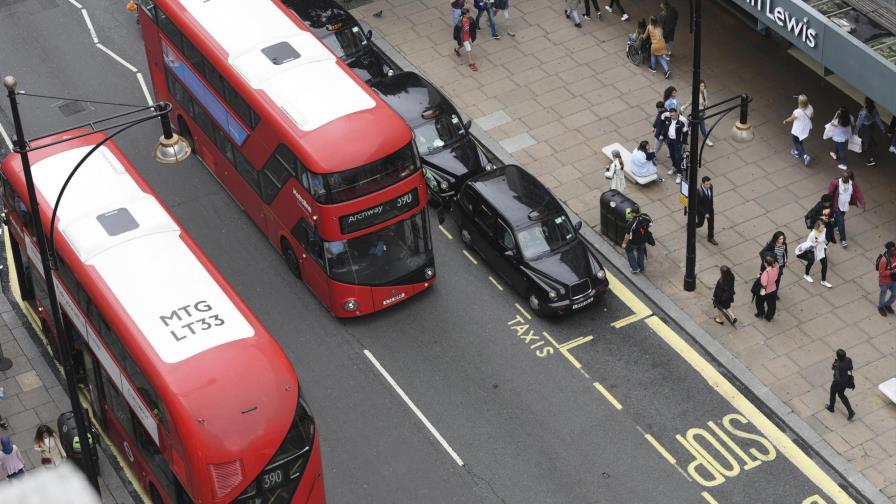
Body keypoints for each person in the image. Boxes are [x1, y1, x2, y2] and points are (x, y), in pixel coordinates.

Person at [826, 170, 864, 248]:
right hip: (837, 205)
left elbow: (858, 192)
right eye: (843, 176)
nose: (843, 178)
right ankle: (843, 239)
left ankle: (833, 226)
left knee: (839, 218)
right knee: (841, 222)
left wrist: (862, 203)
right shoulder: (836, 183)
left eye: (845, 177)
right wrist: (828, 202)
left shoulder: (852, 184)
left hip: (845, 206)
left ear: (849, 178)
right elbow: (830, 192)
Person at [783, 94, 813, 167]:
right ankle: (797, 151)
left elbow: (791, 118)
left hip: (797, 130)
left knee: (796, 142)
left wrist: (785, 121)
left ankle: (805, 156)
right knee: (800, 141)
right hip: (805, 129)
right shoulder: (810, 108)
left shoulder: (797, 111)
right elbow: (812, 116)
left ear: (800, 102)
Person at [825, 349, 855, 420]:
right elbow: (851, 368)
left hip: (838, 383)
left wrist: (834, 367)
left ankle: (831, 407)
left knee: (833, 394)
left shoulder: (837, 365)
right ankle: (850, 411)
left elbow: (837, 377)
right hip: (846, 380)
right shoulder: (848, 360)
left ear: (838, 357)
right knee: (841, 395)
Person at [660, 108, 688, 183]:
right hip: (670, 140)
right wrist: (662, 135)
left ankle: (679, 173)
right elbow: (666, 128)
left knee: (678, 157)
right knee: (672, 155)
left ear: (676, 113)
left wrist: (684, 143)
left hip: (677, 142)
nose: (672, 117)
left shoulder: (682, 120)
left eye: (673, 115)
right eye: (670, 115)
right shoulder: (669, 119)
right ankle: (674, 167)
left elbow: (685, 132)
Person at [856, 97, 886, 166]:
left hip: (864, 127)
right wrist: (882, 128)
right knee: (868, 139)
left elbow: (859, 122)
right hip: (871, 126)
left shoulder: (864, 112)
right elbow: (877, 118)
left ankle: (868, 159)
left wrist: (856, 128)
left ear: (866, 103)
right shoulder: (874, 109)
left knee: (867, 142)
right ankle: (865, 148)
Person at [620, 206, 651, 273]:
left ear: (633, 214)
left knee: (629, 251)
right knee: (640, 252)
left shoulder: (631, 223)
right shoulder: (645, 216)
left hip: (633, 242)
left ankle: (635, 268)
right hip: (643, 240)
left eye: (631, 213)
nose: (630, 213)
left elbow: (627, 235)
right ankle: (641, 268)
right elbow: (650, 224)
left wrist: (624, 243)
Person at [683, 80, 713, 146]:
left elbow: (706, 99)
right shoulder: (695, 94)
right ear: (698, 86)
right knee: (702, 125)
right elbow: (690, 102)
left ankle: (685, 128)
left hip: (702, 111)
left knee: (691, 122)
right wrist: (683, 108)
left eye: (703, 86)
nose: (703, 87)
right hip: (696, 112)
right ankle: (706, 138)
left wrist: (706, 104)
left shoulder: (704, 91)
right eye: (701, 86)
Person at [803, 220, 831, 287]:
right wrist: (813, 245)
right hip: (813, 250)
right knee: (810, 263)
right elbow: (807, 244)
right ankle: (806, 275)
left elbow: (826, 239)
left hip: (821, 249)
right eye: (821, 228)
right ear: (817, 227)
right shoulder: (812, 234)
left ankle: (823, 281)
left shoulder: (824, 230)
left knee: (824, 265)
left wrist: (825, 243)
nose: (822, 229)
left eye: (823, 227)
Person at [754, 255, 778, 321]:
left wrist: (759, 277)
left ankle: (761, 313)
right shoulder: (775, 269)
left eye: (764, 262)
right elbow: (776, 277)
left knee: (759, 302)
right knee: (772, 305)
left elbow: (764, 284)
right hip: (773, 289)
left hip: (765, 291)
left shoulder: (766, 272)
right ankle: (769, 317)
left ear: (766, 263)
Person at [695, 175, 717, 245]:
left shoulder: (711, 187)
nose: (708, 185)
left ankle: (710, 238)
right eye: (707, 184)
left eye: (709, 183)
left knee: (711, 224)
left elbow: (710, 199)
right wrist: (705, 213)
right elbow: (697, 205)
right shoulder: (698, 192)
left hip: (710, 210)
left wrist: (710, 210)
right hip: (702, 211)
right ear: (702, 183)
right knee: (700, 224)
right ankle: (691, 225)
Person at [877, 242, 896, 317]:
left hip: (893, 280)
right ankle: (881, 307)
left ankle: (887, 305)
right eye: (893, 250)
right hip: (884, 282)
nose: (895, 251)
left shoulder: (894, 256)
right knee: (883, 294)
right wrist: (892, 272)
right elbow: (882, 273)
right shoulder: (884, 260)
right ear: (889, 250)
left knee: (895, 293)